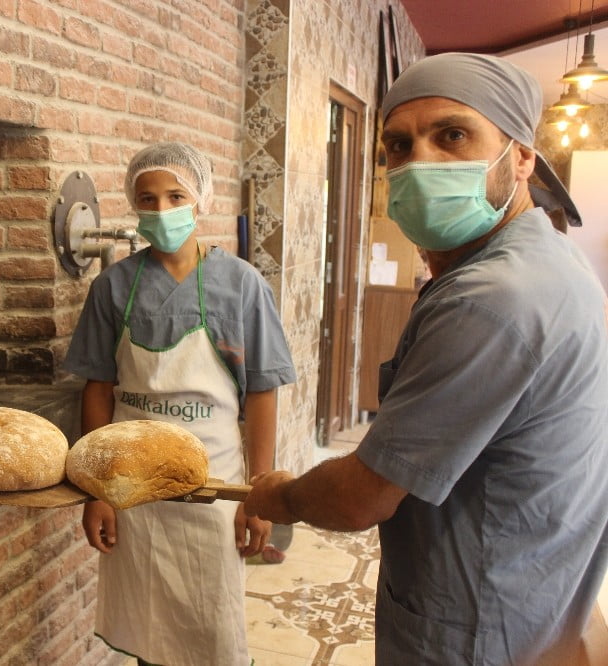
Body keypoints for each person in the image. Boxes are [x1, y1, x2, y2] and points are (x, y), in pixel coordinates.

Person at [245, 53, 608, 666]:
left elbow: (361, 497)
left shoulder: (492, 301)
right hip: (529, 601)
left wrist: (280, 494)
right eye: (399, 145)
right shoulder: (548, 257)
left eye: (453, 134)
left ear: (521, 156)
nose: (420, 162)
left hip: (475, 628)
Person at [64, 141, 296, 665]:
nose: (162, 210)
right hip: (133, 493)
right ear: (135, 206)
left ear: (202, 200)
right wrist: (95, 492)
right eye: (148, 199)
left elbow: (261, 391)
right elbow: (98, 389)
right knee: (149, 631)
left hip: (213, 487)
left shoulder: (242, 286)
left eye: (176, 195)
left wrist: (255, 493)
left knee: (211, 628)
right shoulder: (113, 288)